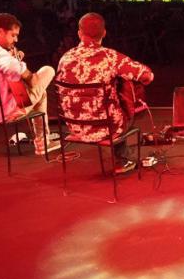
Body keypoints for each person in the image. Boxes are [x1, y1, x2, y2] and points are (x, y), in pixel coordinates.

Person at [56, 12, 154, 169]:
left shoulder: (65, 58)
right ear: (104, 33)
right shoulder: (110, 58)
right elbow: (147, 76)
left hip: (74, 128)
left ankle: (124, 156)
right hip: (107, 128)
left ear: (79, 33)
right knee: (125, 89)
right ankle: (124, 159)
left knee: (110, 95)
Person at [0, 12, 58, 156]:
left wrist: (12, 58)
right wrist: (25, 71)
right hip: (3, 113)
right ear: (0, 31)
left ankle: (43, 141)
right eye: (13, 35)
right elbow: (17, 72)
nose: (16, 39)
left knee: (41, 93)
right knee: (47, 70)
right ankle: (42, 143)